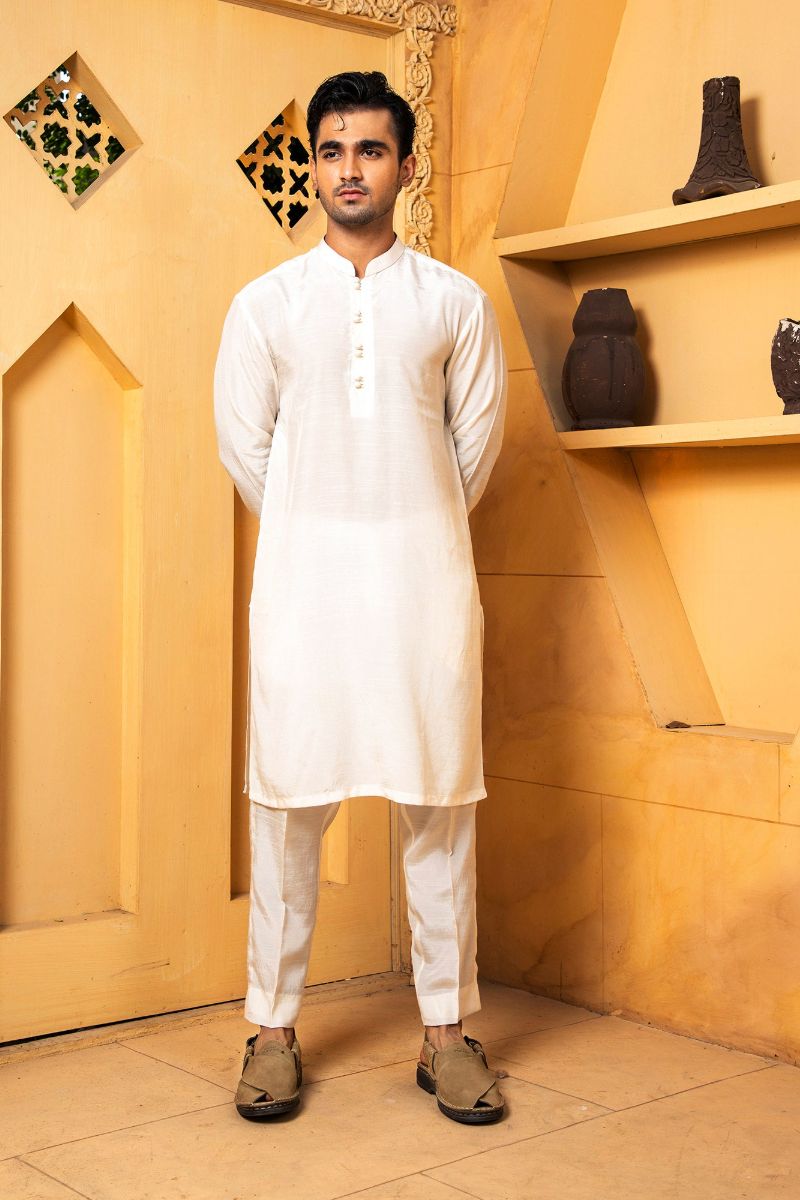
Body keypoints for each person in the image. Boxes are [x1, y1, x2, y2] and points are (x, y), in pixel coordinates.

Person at [214, 70, 508, 1124]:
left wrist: (405, 521)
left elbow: (473, 450)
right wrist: (320, 523)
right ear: (313, 166)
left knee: (440, 807)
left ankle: (446, 1035)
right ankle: (271, 1031)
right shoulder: (264, 306)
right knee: (286, 807)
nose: (350, 169)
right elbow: (246, 451)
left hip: (424, 589)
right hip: (304, 593)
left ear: (405, 168)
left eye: (370, 150)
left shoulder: (454, 303)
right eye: (332, 150)